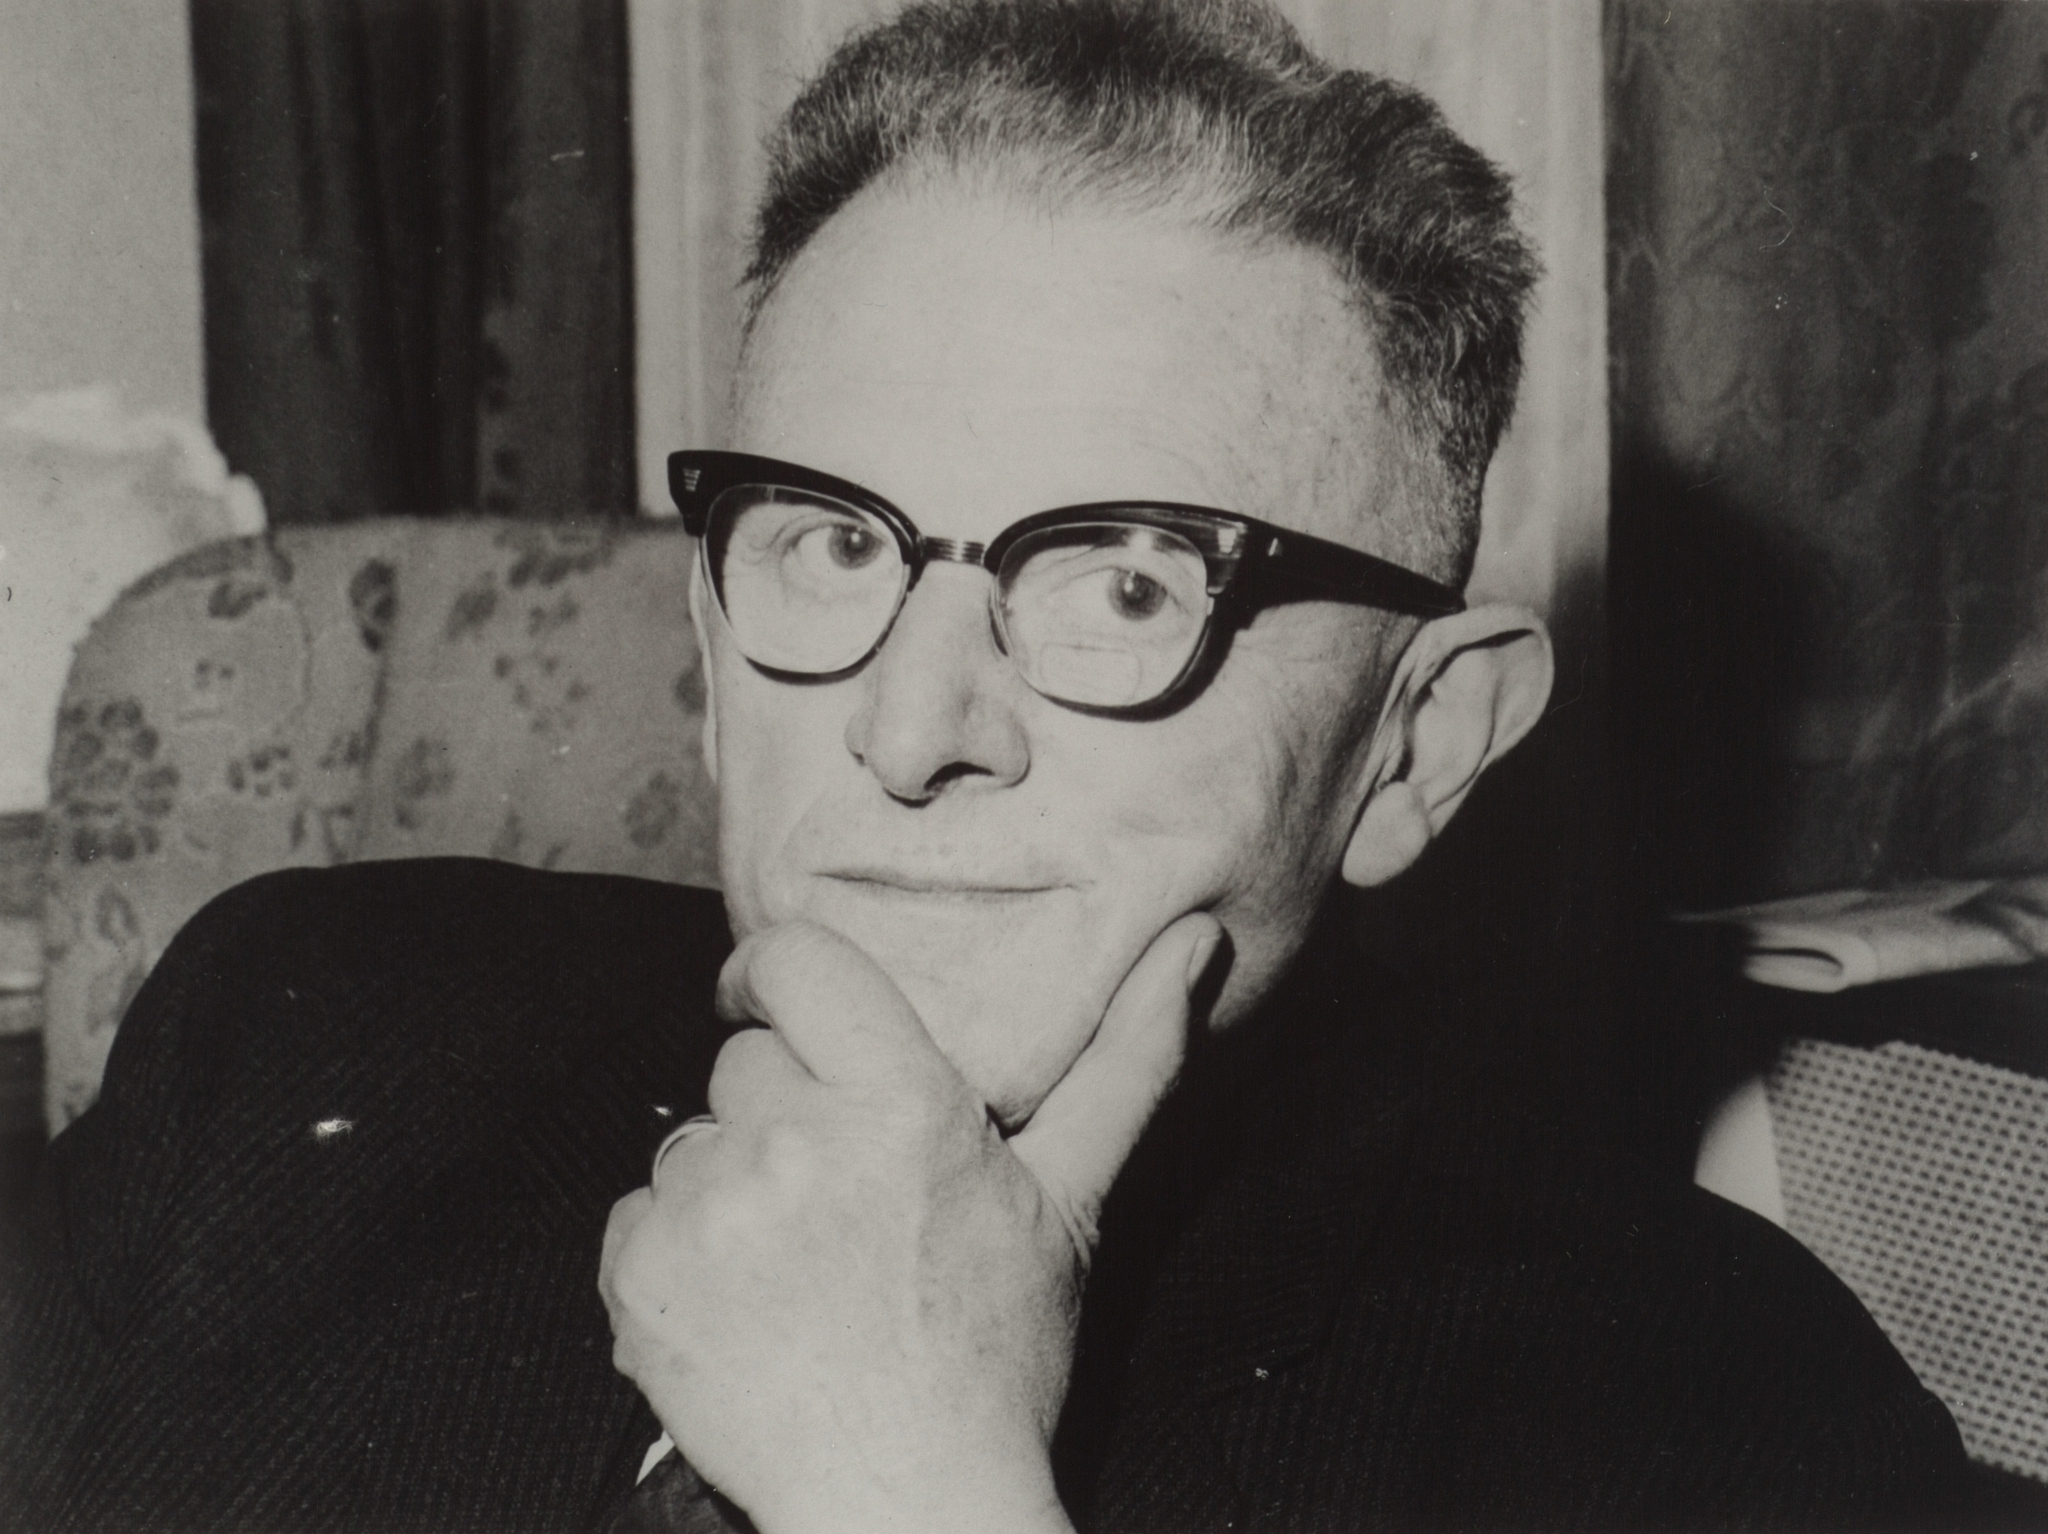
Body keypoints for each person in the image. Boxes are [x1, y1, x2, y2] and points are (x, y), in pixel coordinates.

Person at [3, 2, 1972, 1530]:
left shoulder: (1714, 1415)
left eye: (1126, 581)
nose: (910, 725)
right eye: (832, 547)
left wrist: (908, 1481)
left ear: (1411, 745)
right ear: (713, 648)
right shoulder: (294, 1030)